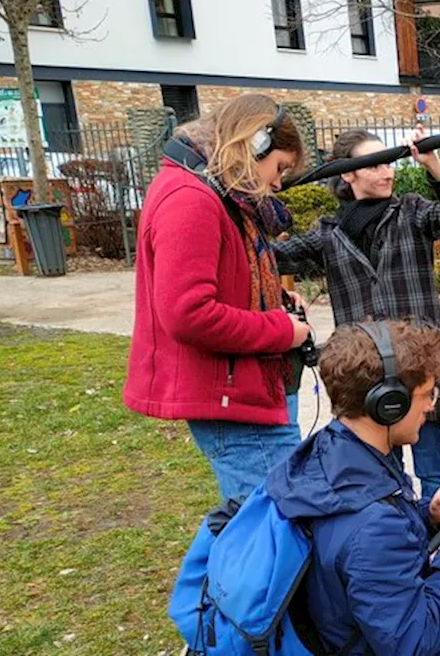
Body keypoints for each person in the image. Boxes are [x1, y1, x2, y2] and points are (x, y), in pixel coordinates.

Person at [266, 319, 440, 655]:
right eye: (426, 395)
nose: (431, 406)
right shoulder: (374, 525)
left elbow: (357, 546)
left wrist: (427, 516)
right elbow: (412, 643)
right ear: (389, 403)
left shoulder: (334, 451)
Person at [124, 93, 312, 501]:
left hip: (244, 391)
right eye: (278, 167)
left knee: (249, 523)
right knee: (269, 529)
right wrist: (280, 330)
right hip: (231, 398)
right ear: (254, 143)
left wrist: (274, 302)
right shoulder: (191, 199)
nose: (278, 184)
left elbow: (221, 280)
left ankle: (208, 569)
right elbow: (188, 313)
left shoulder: (213, 193)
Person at [275, 127, 440, 501]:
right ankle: (400, 542)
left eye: (390, 163)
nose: (387, 172)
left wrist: (433, 163)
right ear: (347, 173)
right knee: (382, 472)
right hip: (367, 370)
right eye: (375, 165)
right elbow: (270, 257)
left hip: (419, 365)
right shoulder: (328, 233)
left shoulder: (412, 213)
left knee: (433, 469)